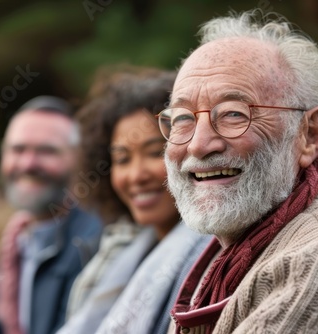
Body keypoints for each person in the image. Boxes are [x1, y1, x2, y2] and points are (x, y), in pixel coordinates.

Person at [157, 9, 318, 334]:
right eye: (183, 118)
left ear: (310, 133)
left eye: (232, 114)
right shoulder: (245, 239)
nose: (199, 145)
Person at [56, 66, 211, 334]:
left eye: (154, 152)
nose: (136, 175)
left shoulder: (214, 257)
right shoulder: (116, 253)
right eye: (122, 159)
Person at [0, 96, 102, 334]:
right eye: (18, 149)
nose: (28, 164)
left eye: (47, 151)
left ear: (78, 159)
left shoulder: (93, 244)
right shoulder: (17, 238)